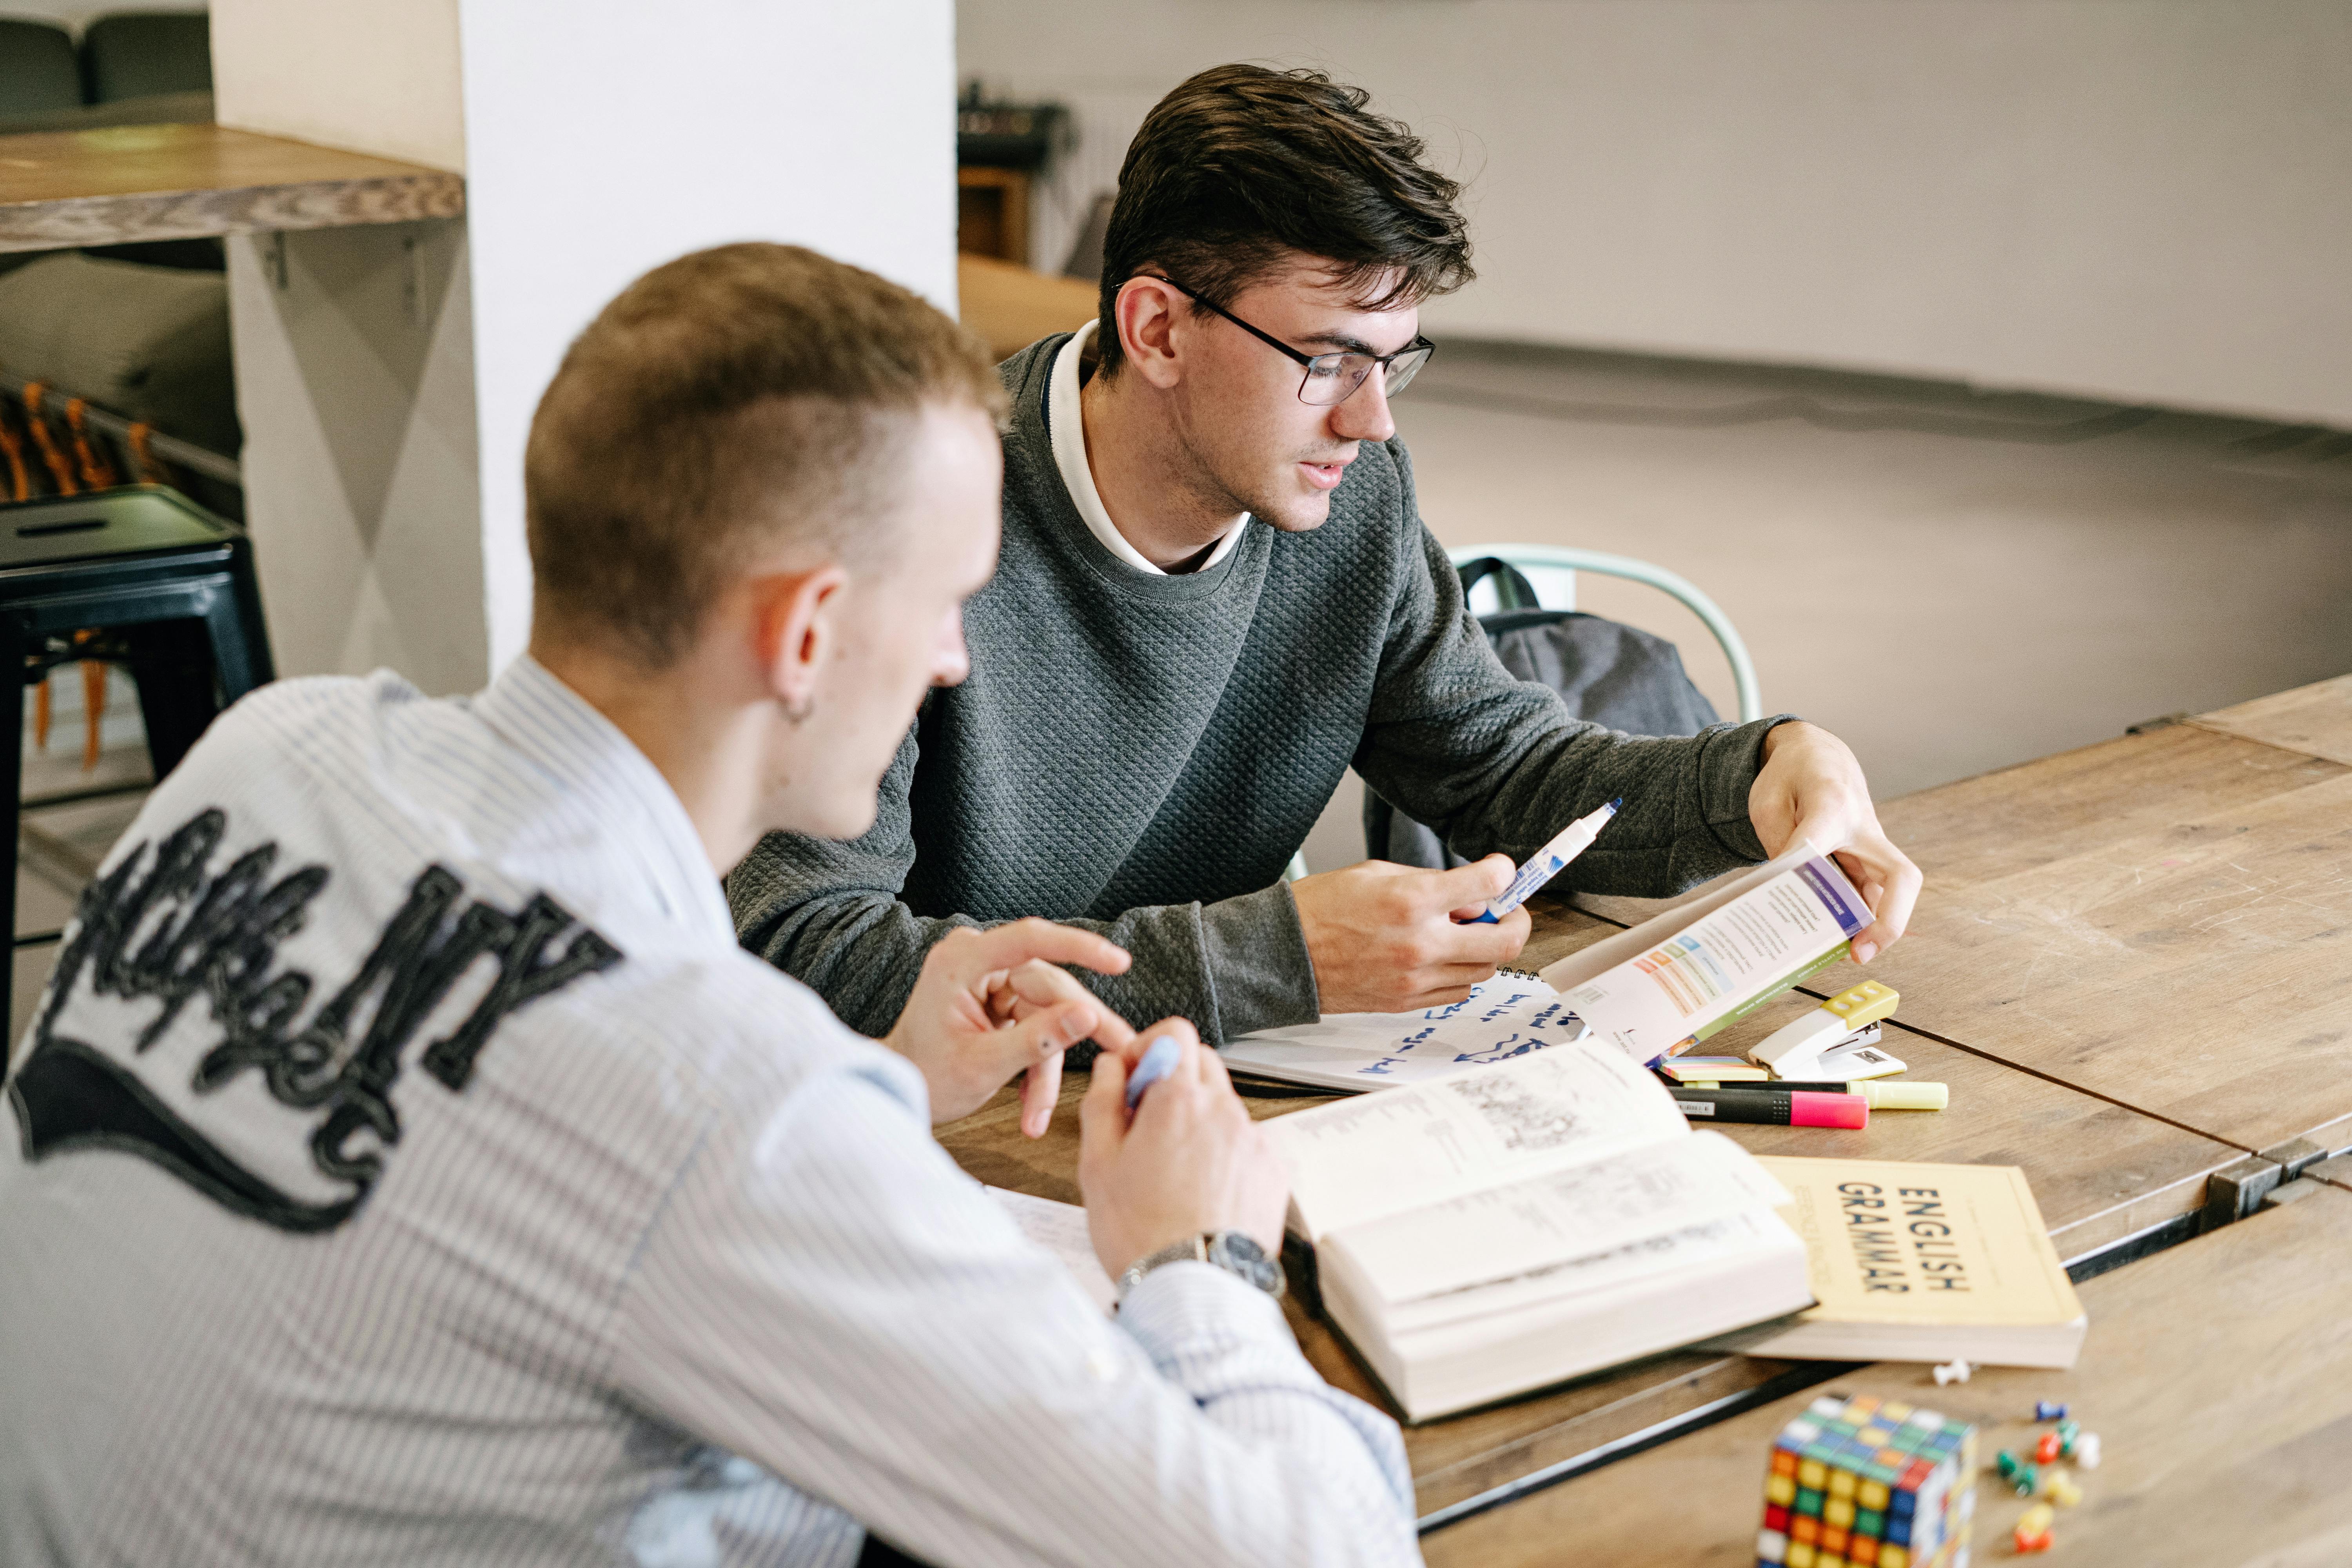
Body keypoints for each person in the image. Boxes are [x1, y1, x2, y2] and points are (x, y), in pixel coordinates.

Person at [0, 244, 1419, 1567]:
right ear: (805, 635)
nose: (949, 660)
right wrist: (1201, 1255)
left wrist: (884, 1081)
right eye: (946, 602)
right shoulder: (726, 1107)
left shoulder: (270, 752)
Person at [731, 64, 1922, 1053]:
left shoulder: (1347, 504)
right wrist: (1279, 958)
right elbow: (803, 948)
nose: (1373, 421)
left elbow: (1504, 768)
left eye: (1394, 362)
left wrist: (1764, 774)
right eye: (1328, 361)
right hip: (946, 1134)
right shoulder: (911, 516)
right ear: (1157, 329)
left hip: (1203, 1102)